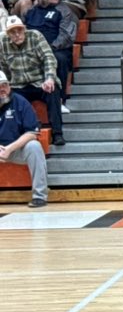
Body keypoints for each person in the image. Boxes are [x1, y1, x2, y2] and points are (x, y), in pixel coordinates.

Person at [0, 16, 64, 146]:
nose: (17, 34)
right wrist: (5, 85)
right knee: (7, 98)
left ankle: (57, 133)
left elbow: (49, 58)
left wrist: (50, 78)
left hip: (40, 81)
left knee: (53, 90)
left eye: (19, 30)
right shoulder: (3, 43)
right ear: (8, 34)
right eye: (13, 32)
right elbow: (3, 67)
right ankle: (14, 137)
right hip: (18, 84)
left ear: (24, 29)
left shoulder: (35, 36)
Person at [0, 70, 49, 207]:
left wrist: (9, 149)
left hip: (16, 150)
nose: (2, 89)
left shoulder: (20, 102)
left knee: (34, 146)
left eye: (5, 85)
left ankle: (39, 196)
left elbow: (32, 133)